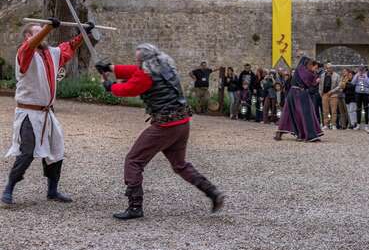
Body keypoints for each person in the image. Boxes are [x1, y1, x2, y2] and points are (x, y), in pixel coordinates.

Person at [96, 44, 224, 220]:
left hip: (165, 126)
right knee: (180, 165)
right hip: (182, 124)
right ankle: (212, 192)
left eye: (138, 60)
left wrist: (110, 86)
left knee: (133, 160)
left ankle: (135, 207)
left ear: (144, 61)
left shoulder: (146, 75)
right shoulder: (164, 67)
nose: (137, 62)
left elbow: (129, 88)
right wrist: (111, 68)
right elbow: (135, 71)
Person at [1, 18, 94, 205]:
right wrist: (49, 27)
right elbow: (31, 45)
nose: (42, 35)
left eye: (42, 31)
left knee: (57, 150)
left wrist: (86, 33)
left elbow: (70, 46)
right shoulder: (24, 52)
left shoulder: (52, 53)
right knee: (27, 152)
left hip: (47, 114)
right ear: (28, 36)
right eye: (37, 32)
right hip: (29, 113)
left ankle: (52, 191)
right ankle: (9, 188)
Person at [275, 57, 323, 142]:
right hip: (298, 94)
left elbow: (311, 87)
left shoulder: (304, 70)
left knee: (294, 113)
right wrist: (316, 80)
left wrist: (315, 79)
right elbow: (308, 80)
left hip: (297, 93)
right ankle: (308, 135)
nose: (311, 66)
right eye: (310, 64)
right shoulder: (301, 69)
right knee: (302, 114)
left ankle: (300, 134)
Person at [319, 63, 340, 130]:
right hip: (324, 94)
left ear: (332, 68)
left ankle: (333, 124)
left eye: (330, 68)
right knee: (325, 111)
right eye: (327, 68)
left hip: (333, 94)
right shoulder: (322, 75)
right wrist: (320, 92)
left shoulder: (336, 75)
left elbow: (339, 86)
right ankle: (326, 124)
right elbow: (320, 84)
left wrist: (332, 91)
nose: (328, 69)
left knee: (333, 111)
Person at [352, 65, 369, 130]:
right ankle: (358, 125)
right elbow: (353, 83)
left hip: (366, 94)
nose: (361, 70)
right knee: (358, 109)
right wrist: (357, 76)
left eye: (362, 69)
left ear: (365, 69)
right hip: (358, 93)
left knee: (366, 109)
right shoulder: (357, 75)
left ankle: (366, 125)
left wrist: (365, 77)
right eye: (360, 69)